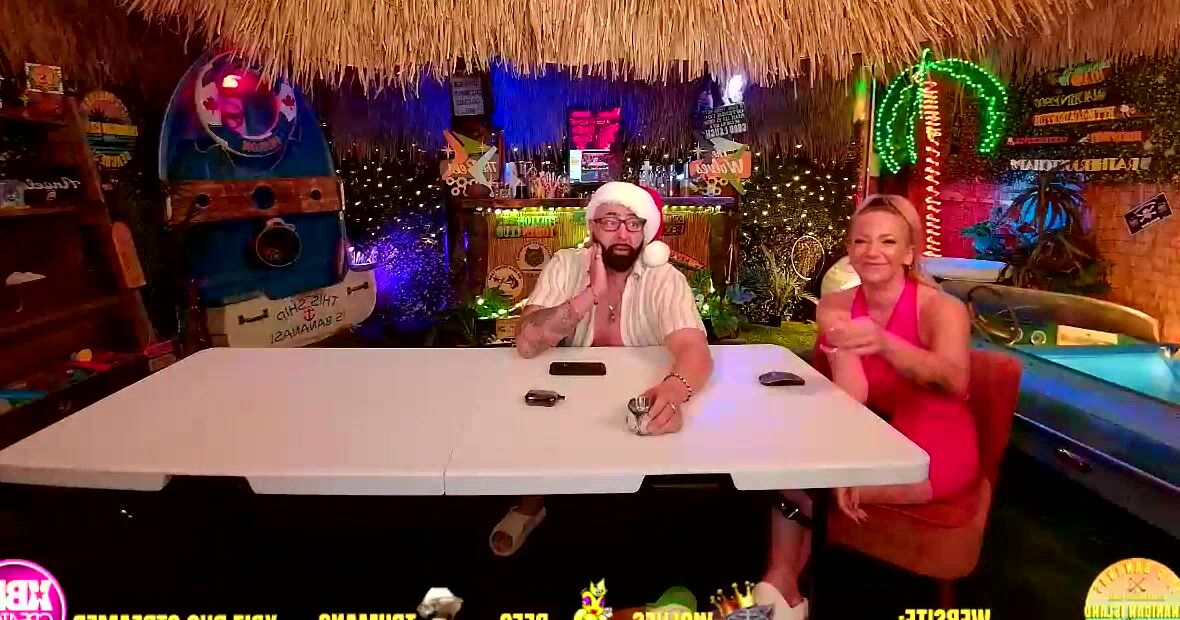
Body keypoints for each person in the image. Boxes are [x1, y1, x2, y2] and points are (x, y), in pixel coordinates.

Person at [753, 194, 977, 620]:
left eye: (888, 242)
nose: (873, 251)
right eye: (861, 241)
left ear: (909, 253)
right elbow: (852, 393)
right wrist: (835, 452)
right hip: (876, 426)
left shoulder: (942, 308)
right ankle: (780, 587)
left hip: (938, 437)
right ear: (850, 250)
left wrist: (885, 342)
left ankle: (786, 595)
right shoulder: (836, 305)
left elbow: (955, 380)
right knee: (793, 472)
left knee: (824, 488)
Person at [489, 181, 714, 556]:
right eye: (611, 221)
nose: (623, 234)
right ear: (592, 226)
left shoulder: (664, 278)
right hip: (568, 394)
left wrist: (673, 391)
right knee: (535, 419)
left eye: (633, 223)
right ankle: (531, 504)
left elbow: (695, 349)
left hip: (636, 391)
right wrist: (589, 294)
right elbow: (527, 342)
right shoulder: (566, 264)